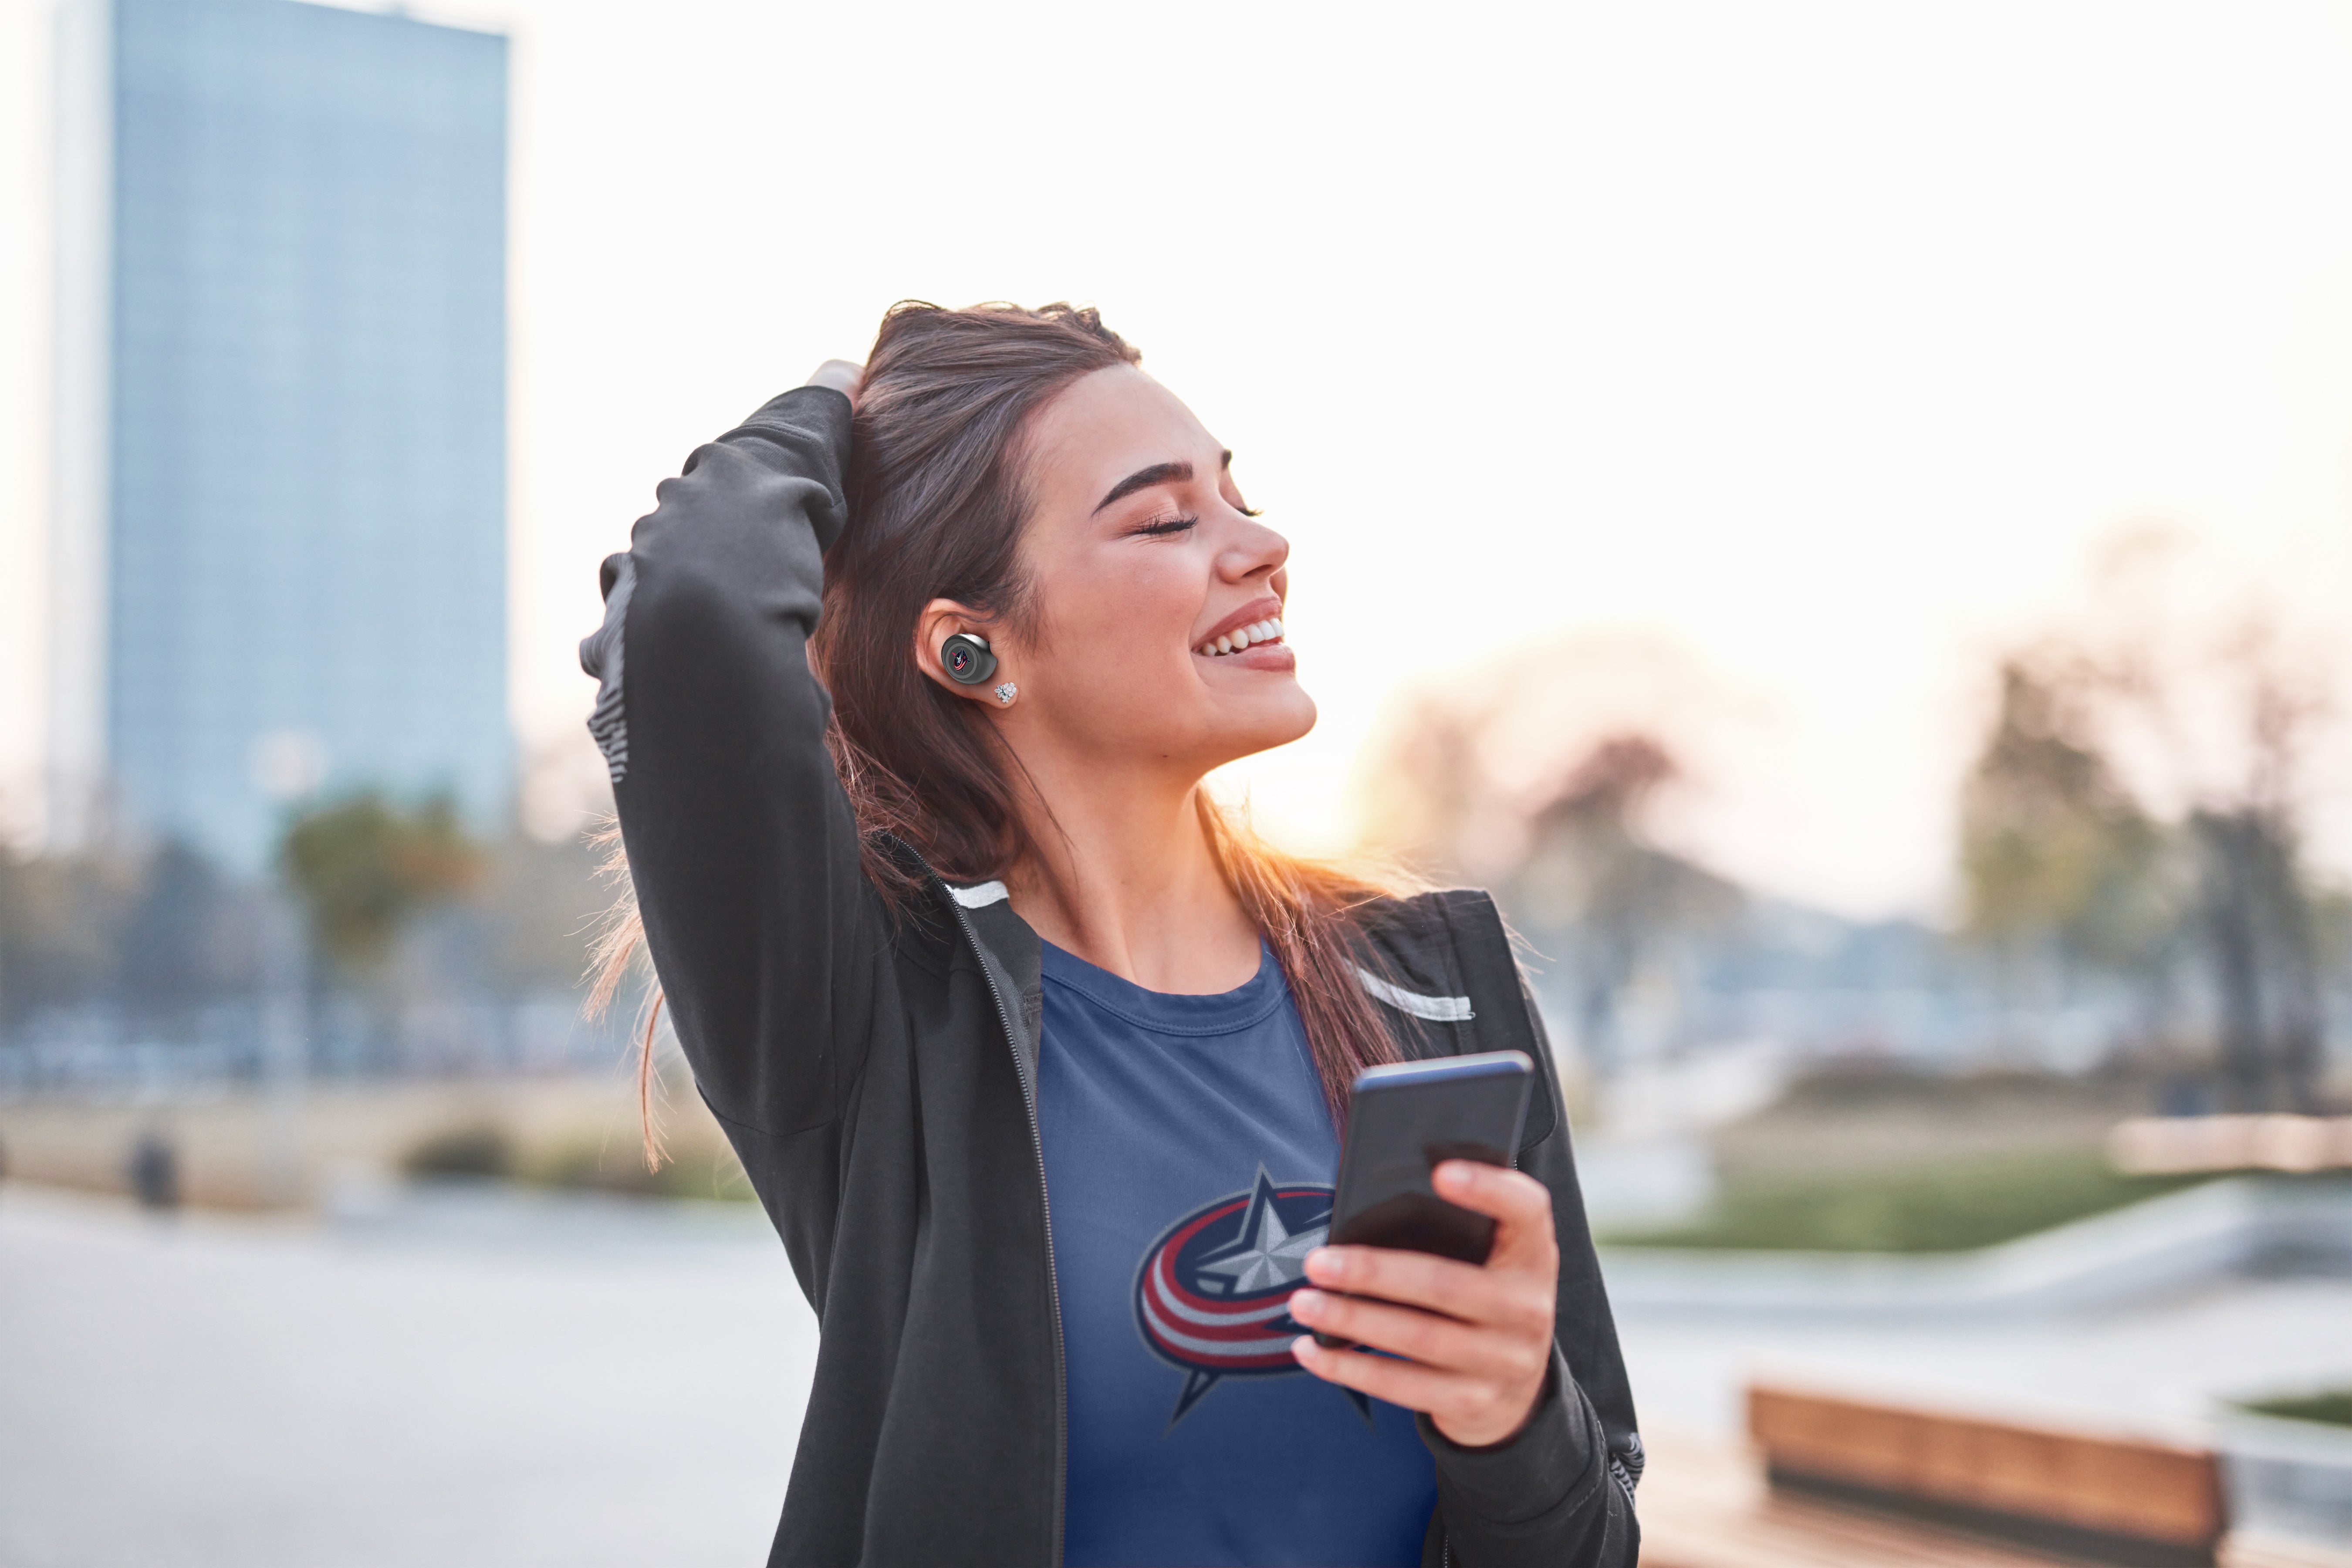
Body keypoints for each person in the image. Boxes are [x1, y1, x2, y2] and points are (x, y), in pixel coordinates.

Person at [583, 302, 1641, 1567]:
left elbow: (1591, 1543)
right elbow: (691, 607)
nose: (1262, 544)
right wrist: (848, 394)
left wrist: (1513, 1418)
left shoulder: (1428, 986)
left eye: (1238, 494)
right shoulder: (872, 1016)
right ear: (971, 647)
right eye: (1166, 517)